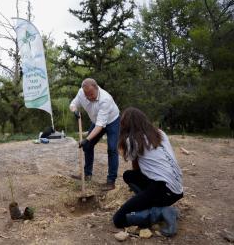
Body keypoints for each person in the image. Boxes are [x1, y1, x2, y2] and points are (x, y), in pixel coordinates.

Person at [113, 107, 183, 237]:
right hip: (177, 189)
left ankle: (160, 212)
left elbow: (136, 165)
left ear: (126, 125)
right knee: (129, 176)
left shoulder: (132, 140)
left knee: (118, 219)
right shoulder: (160, 133)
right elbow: (138, 171)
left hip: (162, 188)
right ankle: (153, 204)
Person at [69, 78, 120, 191]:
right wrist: (74, 110)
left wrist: (87, 139)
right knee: (87, 147)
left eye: (91, 94)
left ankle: (110, 182)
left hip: (112, 121)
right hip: (97, 121)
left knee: (112, 149)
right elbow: (73, 104)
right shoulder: (82, 93)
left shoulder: (105, 99)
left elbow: (100, 126)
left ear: (97, 88)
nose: (89, 97)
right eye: (87, 95)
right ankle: (87, 175)